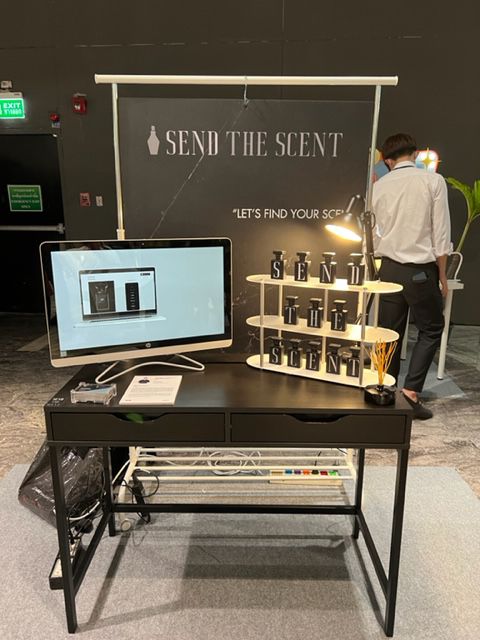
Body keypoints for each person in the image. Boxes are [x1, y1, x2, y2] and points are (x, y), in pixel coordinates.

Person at [372, 133, 451, 420]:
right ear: (415, 154)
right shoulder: (433, 181)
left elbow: (375, 232)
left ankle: (384, 390)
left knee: (389, 332)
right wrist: (442, 275)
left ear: (387, 161)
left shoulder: (379, 186)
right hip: (420, 270)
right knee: (431, 328)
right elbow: (441, 233)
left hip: (388, 269)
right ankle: (410, 393)